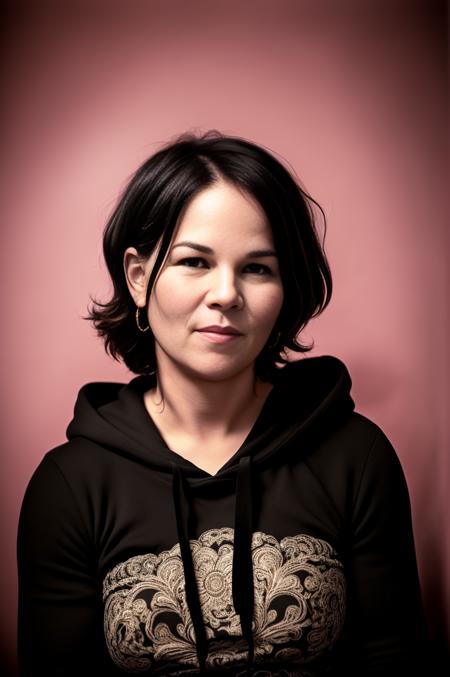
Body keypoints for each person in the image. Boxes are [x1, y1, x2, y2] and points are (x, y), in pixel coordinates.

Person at [17, 130, 427, 676]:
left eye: (257, 268)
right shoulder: (70, 485)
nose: (227, 294)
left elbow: (394, 657)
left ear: (286, 289)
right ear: (138, 278)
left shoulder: (356, 456)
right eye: (194, 262)